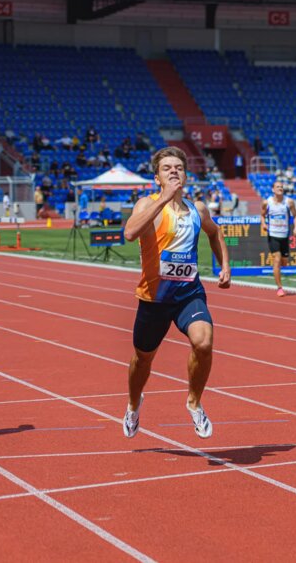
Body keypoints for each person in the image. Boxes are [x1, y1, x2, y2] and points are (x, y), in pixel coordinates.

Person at [121, 146, 231, 440]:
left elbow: (215, 232)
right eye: (167, 168)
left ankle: (194, 403)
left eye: (178, 167)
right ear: (157, 177)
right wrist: (165, 200)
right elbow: (130, 233)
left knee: (204, 342)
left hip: (188, 294)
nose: (173, 171)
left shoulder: (198, 209)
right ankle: (133, 404)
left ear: (186, 174)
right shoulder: (147, 204)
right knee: (143, 359)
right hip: (154, 298)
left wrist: (224, 266)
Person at [261, 180, 296, 298]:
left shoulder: (289, 202)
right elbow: (262, 215)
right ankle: (280, 288)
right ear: (273, 190)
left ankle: (282, 264)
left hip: (285, 235)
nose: (280, 189)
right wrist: (263, 224)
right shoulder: (267, 202)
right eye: (277, 187)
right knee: (276, 259)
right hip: (273, 235)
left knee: (284, 262)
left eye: (281, 187)